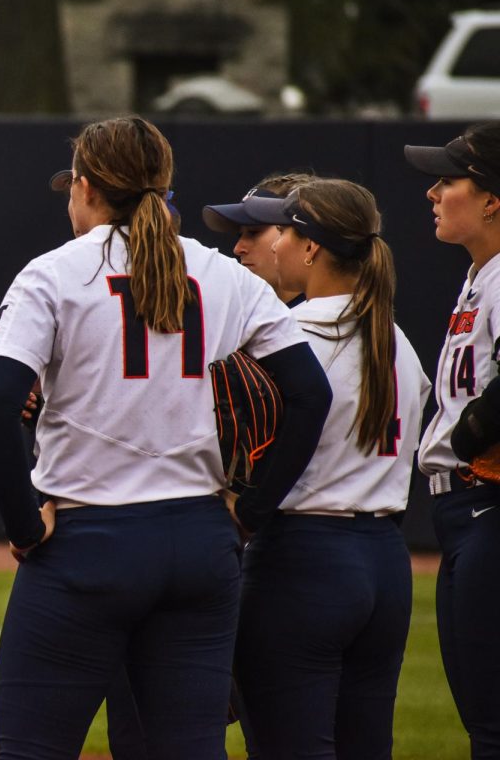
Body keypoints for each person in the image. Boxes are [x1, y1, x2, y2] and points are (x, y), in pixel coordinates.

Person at [0, 116, 331, 759]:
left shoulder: (53, 273)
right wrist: (250, 512)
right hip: (199, 543)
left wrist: (24, 527)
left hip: (89, 542)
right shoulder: (225, 274)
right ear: (164, 189)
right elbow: (311, 395)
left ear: (85, 187)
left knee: (29, 747)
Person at [229, 179, 429, 758]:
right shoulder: (397, 340)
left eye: (285, 234)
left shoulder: (290, 339)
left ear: (311, 247)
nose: (276, 245)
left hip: (302, 560)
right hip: (385, 564)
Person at [405, 122, 500, 757]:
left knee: (491, 722)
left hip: (488, 505)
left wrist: (470, 436)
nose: (433, 192)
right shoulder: (481, 274)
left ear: (492, 198)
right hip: (465, 512)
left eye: (448, 180)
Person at [203, 172, 316, 308]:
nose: (237, 249)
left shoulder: (329, 316)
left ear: (308, 241)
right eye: (240, 235)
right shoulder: (243, 313)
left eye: (253, 232)